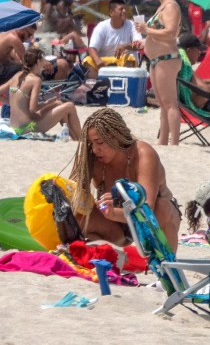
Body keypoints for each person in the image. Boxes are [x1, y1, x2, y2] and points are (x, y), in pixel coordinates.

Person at [68, 108, 180, 252]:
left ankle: (167, 264)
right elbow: (73, 195)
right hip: (116, 226)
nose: (95, 149)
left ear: (116, 136)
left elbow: (147, 209)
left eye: (99, 142)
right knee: (75, 216)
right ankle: (98, 256)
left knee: (162, 207)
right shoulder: (90, 157)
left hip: (154, 221)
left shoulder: (142, 154)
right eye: (91, 143)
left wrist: (114, 212)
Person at [0, 47, 81, 138]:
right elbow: (33, 109)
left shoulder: (17, 76)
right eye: (43, 60)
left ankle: (76, 139)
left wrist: (15, 103)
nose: (44, 62)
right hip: (28, 128)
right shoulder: (35, 80)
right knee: (69, 106)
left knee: (59, 104)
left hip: (15, 127)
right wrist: (48, 102)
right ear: (38, 61)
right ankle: (81, 139)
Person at [135, 0, 182, 146]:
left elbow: (171, 33)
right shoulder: (163, 6)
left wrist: (147, 30)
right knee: (162, 103)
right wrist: (145, 39)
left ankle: (174, 143)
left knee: (170, 103)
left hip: (167, 59)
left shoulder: (170, 7)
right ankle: (163, 141)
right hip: (157, 59)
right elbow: (159, 33)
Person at [82, 0, 140, 78]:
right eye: (121, 9)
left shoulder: (131, 25)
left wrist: (125, 46)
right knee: (88, 61)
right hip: (104, 64)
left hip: (123, 63)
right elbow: (92, 48)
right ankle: (96, 87)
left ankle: (126, 85)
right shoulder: (101, 26)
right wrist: (98, 60)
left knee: (130, 58)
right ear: (111, 12)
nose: (124, 11)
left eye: (124, 9)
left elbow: (139, 45)